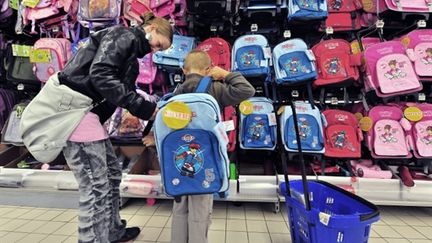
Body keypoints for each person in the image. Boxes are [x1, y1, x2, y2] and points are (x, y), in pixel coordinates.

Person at [57, 13, 173, 243]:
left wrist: (147, 107)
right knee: (95, 186)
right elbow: (101, 74)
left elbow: (117, 87)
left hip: (88, 117)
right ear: (151, 27)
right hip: (77, 115)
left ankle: (112, 232)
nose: (154, 50)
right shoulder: (124, 35)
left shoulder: (129, 50)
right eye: (158, 44)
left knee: (110, 175)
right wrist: (143, 108)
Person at [143, 50, 255, 243]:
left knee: (180, 208)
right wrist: (226, 74)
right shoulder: (216, 89)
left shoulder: (175, 94)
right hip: (205, 160)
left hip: (178, 162)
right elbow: (247, 90)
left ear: (183, 70)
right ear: (209, 69)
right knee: (200, 210)